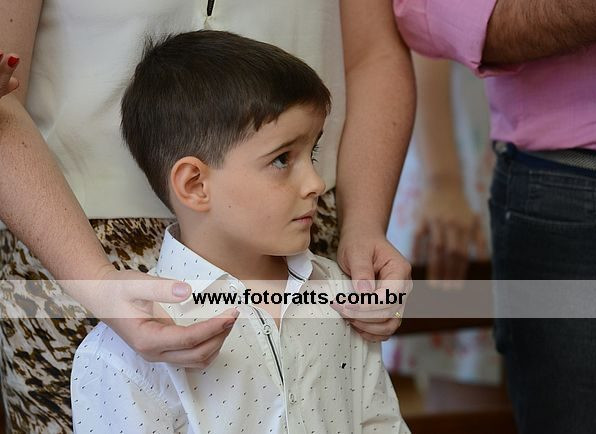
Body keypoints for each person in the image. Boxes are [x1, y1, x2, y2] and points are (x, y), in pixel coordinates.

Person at [0, 0, 414, 431]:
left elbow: (379, 420)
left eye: (313, 153)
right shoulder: (114, 357)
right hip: (72, 243)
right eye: (283, 159)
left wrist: (364, 225)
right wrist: (96, 279)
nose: (316, 182)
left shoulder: (336, 297)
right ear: (195, 184)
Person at [395, 0, 596, 432]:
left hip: (503, 141)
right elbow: (424, 45)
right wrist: (443, 180)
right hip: (477, 151)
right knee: (467, 361)